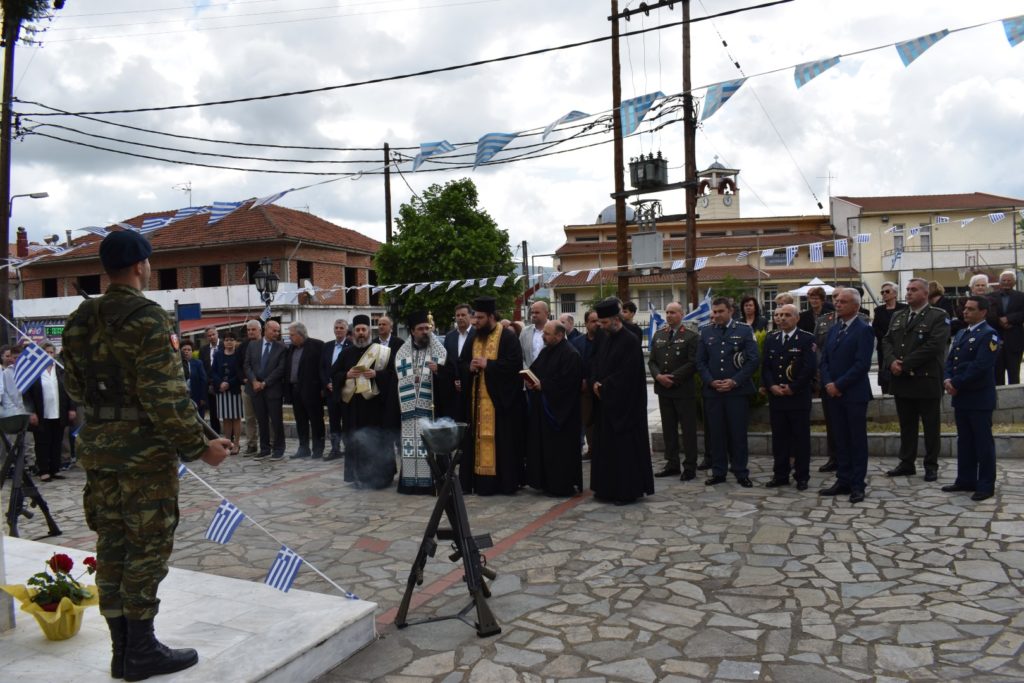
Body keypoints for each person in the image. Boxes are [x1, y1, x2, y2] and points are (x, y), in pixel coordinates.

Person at [61, 229, 231, 680]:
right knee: (146, 547)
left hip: (99, 450)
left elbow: (73, 385)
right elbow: (165, 394)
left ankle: (121, 652)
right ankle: (141, 650)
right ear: (141, 265)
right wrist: (200, 447)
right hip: (143, 455)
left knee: (111, 544)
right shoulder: (148, 318)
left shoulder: (80, 318)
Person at [882, 277, 950, 481]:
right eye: (908, 289)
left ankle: (931, 465)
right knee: (907, 425)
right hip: (902, 380)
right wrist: (891, 361)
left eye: (914, 289)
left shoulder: (938, 315)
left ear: (925, 294)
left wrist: (904, 364)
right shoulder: (899, 315)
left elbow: (935, 345)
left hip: (926, 379)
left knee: (931, 426)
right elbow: (887, 340)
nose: (909, 292)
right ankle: (906, 462)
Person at [589, 298, 654, 504]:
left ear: (616, 320)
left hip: (625, 407)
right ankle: (606, 489)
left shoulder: (630, 341)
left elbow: (627, 375)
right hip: (606, 404)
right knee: (606, 448)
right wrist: (595, 381)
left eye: (604, 322)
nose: (601, 326)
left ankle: (626, 491)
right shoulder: (604, 337)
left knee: (623, 451)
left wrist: (604, 386)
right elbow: (596, 362)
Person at [462, 296, 526, 496]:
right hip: (476, 404)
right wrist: (469, 367)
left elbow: (514, 366)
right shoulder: (474, 337)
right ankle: (479, 483)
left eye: (480, 318)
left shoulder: (507, 337)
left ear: (491, 317)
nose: (476, 322)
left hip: (499, 405)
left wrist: (488, 365)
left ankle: (503, 484)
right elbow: (461, 363)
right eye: (475, 317)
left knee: (502, 445)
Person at [819, 287, 875, 504]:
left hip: (853, 394)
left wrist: (839, 384)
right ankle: (843, 479)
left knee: (856, 440)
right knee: (840, 439)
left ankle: (857, 484)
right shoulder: (834, 329)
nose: (837, 304)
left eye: (843, 301)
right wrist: (828, 383)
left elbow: (862, 364)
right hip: (833, 393)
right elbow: (824, 360)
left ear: (856, 306)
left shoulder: (863, 330)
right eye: (837, 301)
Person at [943, 295, 1001, 502]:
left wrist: (956, 382)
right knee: (965, 441)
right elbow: (951, 360)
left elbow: (980, 365)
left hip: (979, 397)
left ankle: (985, 485)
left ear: (983, 312)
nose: (965, 312)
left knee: (983, 443)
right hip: (962, 396)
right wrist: (947, 378)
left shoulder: (989, 334)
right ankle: (965, 479)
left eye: (970, 309)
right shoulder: (961, 333)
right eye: (965, 308)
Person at [696, 297, 758, 488]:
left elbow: (753, 360)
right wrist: (711, 381)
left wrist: (734, 381)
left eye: (720, 311)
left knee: (738, 433)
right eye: (714, 312)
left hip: (736, 392)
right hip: (713, 392)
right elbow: (700, 362)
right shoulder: (706, 331)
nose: (716, 315)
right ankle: (718, 472)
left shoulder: (744, 330)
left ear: (730, 311)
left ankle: (741, 472)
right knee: (716, 434)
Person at [334, 314, 398, 488]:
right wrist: (346, 375)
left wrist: (377, 374)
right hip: (353, 410)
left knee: (377, 441)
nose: (361, 333)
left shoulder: (381, 352)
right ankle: (359, 476)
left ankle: (382, 478)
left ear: (369, 331)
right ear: (353, 332)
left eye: (364, 329)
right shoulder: (346, 353)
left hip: (375, 409)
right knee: (356, 443)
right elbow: (335, 374)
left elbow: (393, 376)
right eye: (358, 330)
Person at [524, 320, 583, 496]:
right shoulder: (547, 351)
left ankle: (561, 486)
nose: (543, 336)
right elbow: (535, 370)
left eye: (547, 334)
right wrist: (530, 380)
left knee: (560, 452)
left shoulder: (571, 354)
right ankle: (544, 482)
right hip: (543, 409)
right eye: (544, 333)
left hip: (560, 415)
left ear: (559, 335)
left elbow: (568, 384)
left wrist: (544, 385)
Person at [760, 304, 815, 490]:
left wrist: (793, 387)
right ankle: (780, 474)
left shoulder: (806, 338)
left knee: (800, 439)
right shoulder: (772, 338)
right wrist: (771, 386)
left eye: (787, 315)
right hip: (777, 398)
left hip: (797, 398)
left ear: (797, 318)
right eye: (780, 315)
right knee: (779, 439)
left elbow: (809, 368)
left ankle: (802, 476)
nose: (782, 318)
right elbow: (766, 367)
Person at [394, 310, 446, 495]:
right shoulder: (402, 353)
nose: (425, 332)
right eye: (421, 329)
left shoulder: (437, 349)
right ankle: (410, 484)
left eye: (427, 328)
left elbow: (447, 374)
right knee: (410, 445)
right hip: (409, 410)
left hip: (429, 406)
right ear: (412, 331)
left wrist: (438, 370)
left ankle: (431, 483)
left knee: (428, 445)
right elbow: (400, 377)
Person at [648, 301, 699, 481]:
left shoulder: (691, 336)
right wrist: (658, 376)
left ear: (682, 314)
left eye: (673, 312)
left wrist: (673, 378)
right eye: (667, 312)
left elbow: (693, 362)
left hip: (683, 390)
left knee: (688, 430)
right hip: (664, 390)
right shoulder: (659, 335)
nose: (669, 315)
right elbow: (652, 361)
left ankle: (690, 466)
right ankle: (672, 463)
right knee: (668, 430)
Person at [24, 342, 76, 483]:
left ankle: (55, 468)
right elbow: (27, 394)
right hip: (42, 412)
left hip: (59, 411)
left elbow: (69, 390)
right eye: (45, 352)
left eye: (51, 352)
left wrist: (71, 408)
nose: (48, 355)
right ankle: (44, 470)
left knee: (57, 442)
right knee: (42, 442)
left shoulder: (60, 370)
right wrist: (31, 412)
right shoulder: (34, 371)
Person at [245, 320, 287, 460]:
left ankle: (279, 448)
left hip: (272, 389)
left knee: (276, 421)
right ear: (266, 329)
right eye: (274, 330)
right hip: (256, 390)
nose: (276, 333)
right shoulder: (253, 345)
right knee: (261, 421)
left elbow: (280, 369)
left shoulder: (281, 347)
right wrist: (254, 381)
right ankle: (264, 449)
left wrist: (265, 383)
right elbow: (247, 365)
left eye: (278, 331)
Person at [283, 322, 325, 460]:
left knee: (316, 421)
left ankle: (318, 449)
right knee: (300, 421)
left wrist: (322, 388)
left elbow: (323, 368)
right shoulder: (291, 348)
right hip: (295, 390)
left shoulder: (317, 345)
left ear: (301, 334)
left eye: (292, 335)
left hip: (312, 391)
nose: (290, 338)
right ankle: (303, 448)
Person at [571, 309, 603, 459]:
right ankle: (592, 449)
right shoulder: (577, 343)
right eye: (593, 321)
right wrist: (581, 380)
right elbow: (574, 364)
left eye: (599, 321)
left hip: (601, 386)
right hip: (585, 388)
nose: (597, 324)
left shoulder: (607, 341)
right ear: (586, 324)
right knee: (588, 419)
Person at [321, 318, 351, 461]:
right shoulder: (327, 346)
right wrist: (327, 383)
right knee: (333, 420)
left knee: (347, 420)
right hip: (330, 390)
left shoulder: (351, 346)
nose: (338, 330)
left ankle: (349, 448)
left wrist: (340, 382)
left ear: (346, 330)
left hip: (345, 389)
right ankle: (335, 448)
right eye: (336, 328)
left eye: (341, 328)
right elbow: (321, 368)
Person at [440, 303, 475, 422]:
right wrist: (455, 378)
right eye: (457, 315)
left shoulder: (477, 334)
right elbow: (448, 360)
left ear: (470, 316)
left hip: (471, 383)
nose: (460, 318)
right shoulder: (450, 336)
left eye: (463, 315)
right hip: (453, 387)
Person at [871, 281, 907, 394]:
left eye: (887, 291)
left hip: (901, 347)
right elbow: (875, 328)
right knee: (885, 375)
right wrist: (886, 339)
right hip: (884, 348)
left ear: (895, 294)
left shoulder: (905, 308)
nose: (884, 294)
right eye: (882, 292)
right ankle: (886, 392)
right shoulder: (879, 310)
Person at [211, 332, 243, 455]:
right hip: (221, 390)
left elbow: (240, 372)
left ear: (235, 341)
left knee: (236, 418)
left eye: (231, 339)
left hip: (234, 390)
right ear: (223, 342)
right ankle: (228, 443)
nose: (229, 342)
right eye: (226, 340)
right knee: (226, 418)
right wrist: (220, 383)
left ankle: (237, 444)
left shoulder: (238, 355)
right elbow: (213, 371)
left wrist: (229, 383)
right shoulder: (218, 354)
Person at [991, 270, 1024, 385]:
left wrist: (1009, 319)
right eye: (1004, 280)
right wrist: (999, 321)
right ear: (1000, 282)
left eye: (1009, 280)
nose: (1006, 283)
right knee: (997, 375)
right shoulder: (991, 297)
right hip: (996, 341)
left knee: (1014, 375)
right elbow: (988, 314)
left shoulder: (1021, 296)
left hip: (1015, 341)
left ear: (1014, 282)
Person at [239, 320, 262, 456]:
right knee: (249, 417)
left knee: (265, 417)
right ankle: (251, 444)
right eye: (248, 330)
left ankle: (268, 443)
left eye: (253, 329)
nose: (250, 332)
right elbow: (238, 365)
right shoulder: (243, 346)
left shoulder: (266, 344)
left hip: (263, 385)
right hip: (247, 386)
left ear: (260, 330)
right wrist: (244, 378)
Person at [199, 326, 221, 435]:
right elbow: (202, 367)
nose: (212, 337)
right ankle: (216, 434)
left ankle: (229, 437)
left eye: (213, 334)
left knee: (227, 412)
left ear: (217, 334)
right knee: (213, 412)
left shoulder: (224, 345)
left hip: (224, 383)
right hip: (210, 384)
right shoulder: (203, 350)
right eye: (209, 336)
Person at [519, 300, 549, 368]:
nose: (533, 315)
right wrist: (527, 371)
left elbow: (562, 354)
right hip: (528, 372)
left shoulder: (557, 330)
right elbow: (519, 354)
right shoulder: (525, 332)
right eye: (532, 312)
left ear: (546, 313)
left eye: (537, 312)